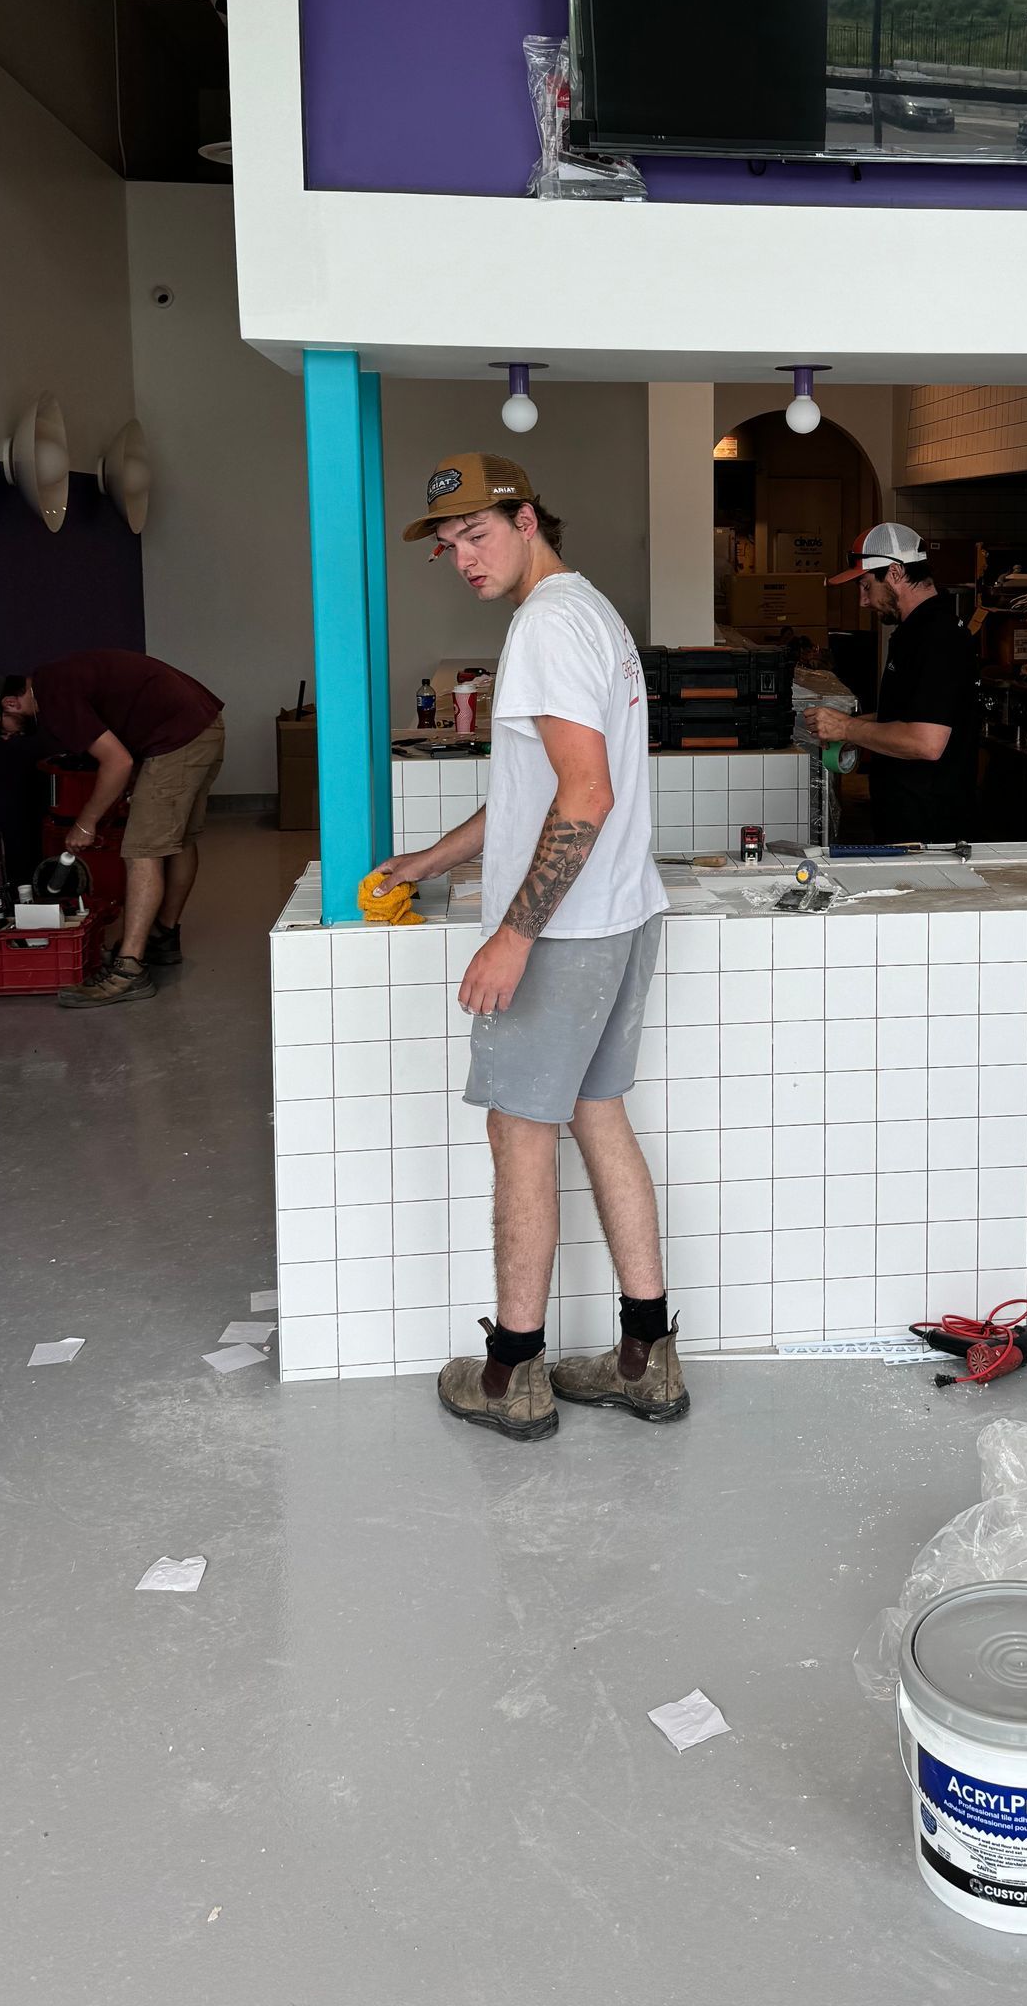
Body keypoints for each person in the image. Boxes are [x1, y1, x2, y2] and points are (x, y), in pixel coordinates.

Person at [373, 451, 680, 1444]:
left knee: (520, 1134)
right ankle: (645, 1359)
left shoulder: (544, 626)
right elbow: (541, 790)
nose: (465, 556)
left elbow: (584, 794)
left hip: (566, 935)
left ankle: (511, 1374)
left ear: (528, 520)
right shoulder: (588, 610)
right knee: (599, 1114)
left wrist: (512, 935)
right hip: (623, 913)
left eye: (479, 533)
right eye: (449, 544)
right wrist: (433, 856)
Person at [0, 652, 225, 1007]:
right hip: (203, 726)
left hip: (177, 739)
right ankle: (162, 937)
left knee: (141, 850)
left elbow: (117, 761)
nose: (6, 737)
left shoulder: (54, 701)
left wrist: (85, 823)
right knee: (178, 841)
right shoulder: (54, 680)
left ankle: (129, 970)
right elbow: (126, 738)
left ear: (11, 703)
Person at [803, 521, 980, 843]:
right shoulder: (915, 632)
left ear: (895, 573)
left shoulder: (938, 638)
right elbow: (906, 715)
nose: (863, 601)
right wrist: (854, 727)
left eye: (866, 585)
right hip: (905, 819)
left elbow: (925, 742)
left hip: (929, 830)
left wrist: (847, 729)